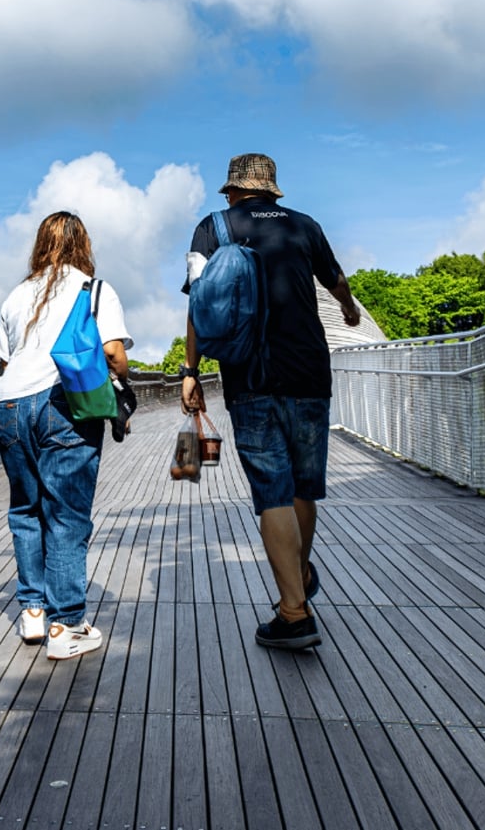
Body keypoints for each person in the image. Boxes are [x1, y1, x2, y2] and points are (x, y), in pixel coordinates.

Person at [180, 153, 360, 651]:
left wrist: (190, 371)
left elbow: (198, 303)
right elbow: (337, 282)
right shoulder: (305, 226)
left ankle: (294, 612)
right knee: (304, 487)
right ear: (273, 190)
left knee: (273, 493)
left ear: (232, 191)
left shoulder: (213, 228)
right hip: (309, 372)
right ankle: (298, 577)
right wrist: (346, 309)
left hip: (250, 376)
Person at [0, 212, 132, 661]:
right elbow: (111, 351)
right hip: (64, 404)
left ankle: (33, 611)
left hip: (9, 405)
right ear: (83, 245)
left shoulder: (16, 295)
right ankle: (67, 624)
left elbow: (6, 359)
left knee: (26, 509)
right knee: (67, 516)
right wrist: (122, 382)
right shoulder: (94, 289)